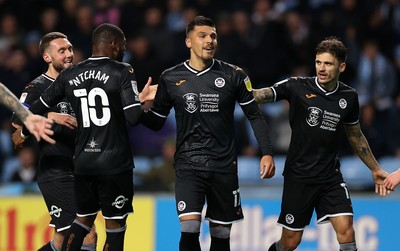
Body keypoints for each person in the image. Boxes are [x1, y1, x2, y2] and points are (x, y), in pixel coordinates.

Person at [140, 16, 275, 251]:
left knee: (221, 235)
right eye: (202, 35)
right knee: (190, 229)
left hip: (223, 167)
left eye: (213, 35)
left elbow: (254, 115)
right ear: (188, 42)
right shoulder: (170, 77)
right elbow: (155, 123)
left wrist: (267, 152)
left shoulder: (234, 75)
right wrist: (140, 108)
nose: (210, 40)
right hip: (188, 165)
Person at [253, 36, 389, 251]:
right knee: (290, 242)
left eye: (328, 63)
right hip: (299, 176)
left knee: (347, 230)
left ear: (341, 66)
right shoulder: (297, 86)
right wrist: (235, 88)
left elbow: (355, 135)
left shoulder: (349, 97)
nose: (322, 68)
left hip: (330, 176)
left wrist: (375, 169)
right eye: (318, 62)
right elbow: (261, 95)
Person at [28, 23, 155, 251]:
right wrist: (141, 105)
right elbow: (134, 117)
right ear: (114, 45)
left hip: (83, 163)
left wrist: (43, 114)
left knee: (82, 224)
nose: (125, 50)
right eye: (123, 46)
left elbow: (33, 108)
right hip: (112, 162)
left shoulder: (70, 75)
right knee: (114, 227)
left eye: (70, 49)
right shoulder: (122, 70)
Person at [11, 32, 98, 251]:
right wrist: (48, 116)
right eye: (62, 51)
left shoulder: (80, 86)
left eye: (70, 49)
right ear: (47, 57)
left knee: (61, 241)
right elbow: (16, 132)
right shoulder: (36, 87)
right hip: (56, 171)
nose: (69, 54)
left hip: (81, 169)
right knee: (88, 235)